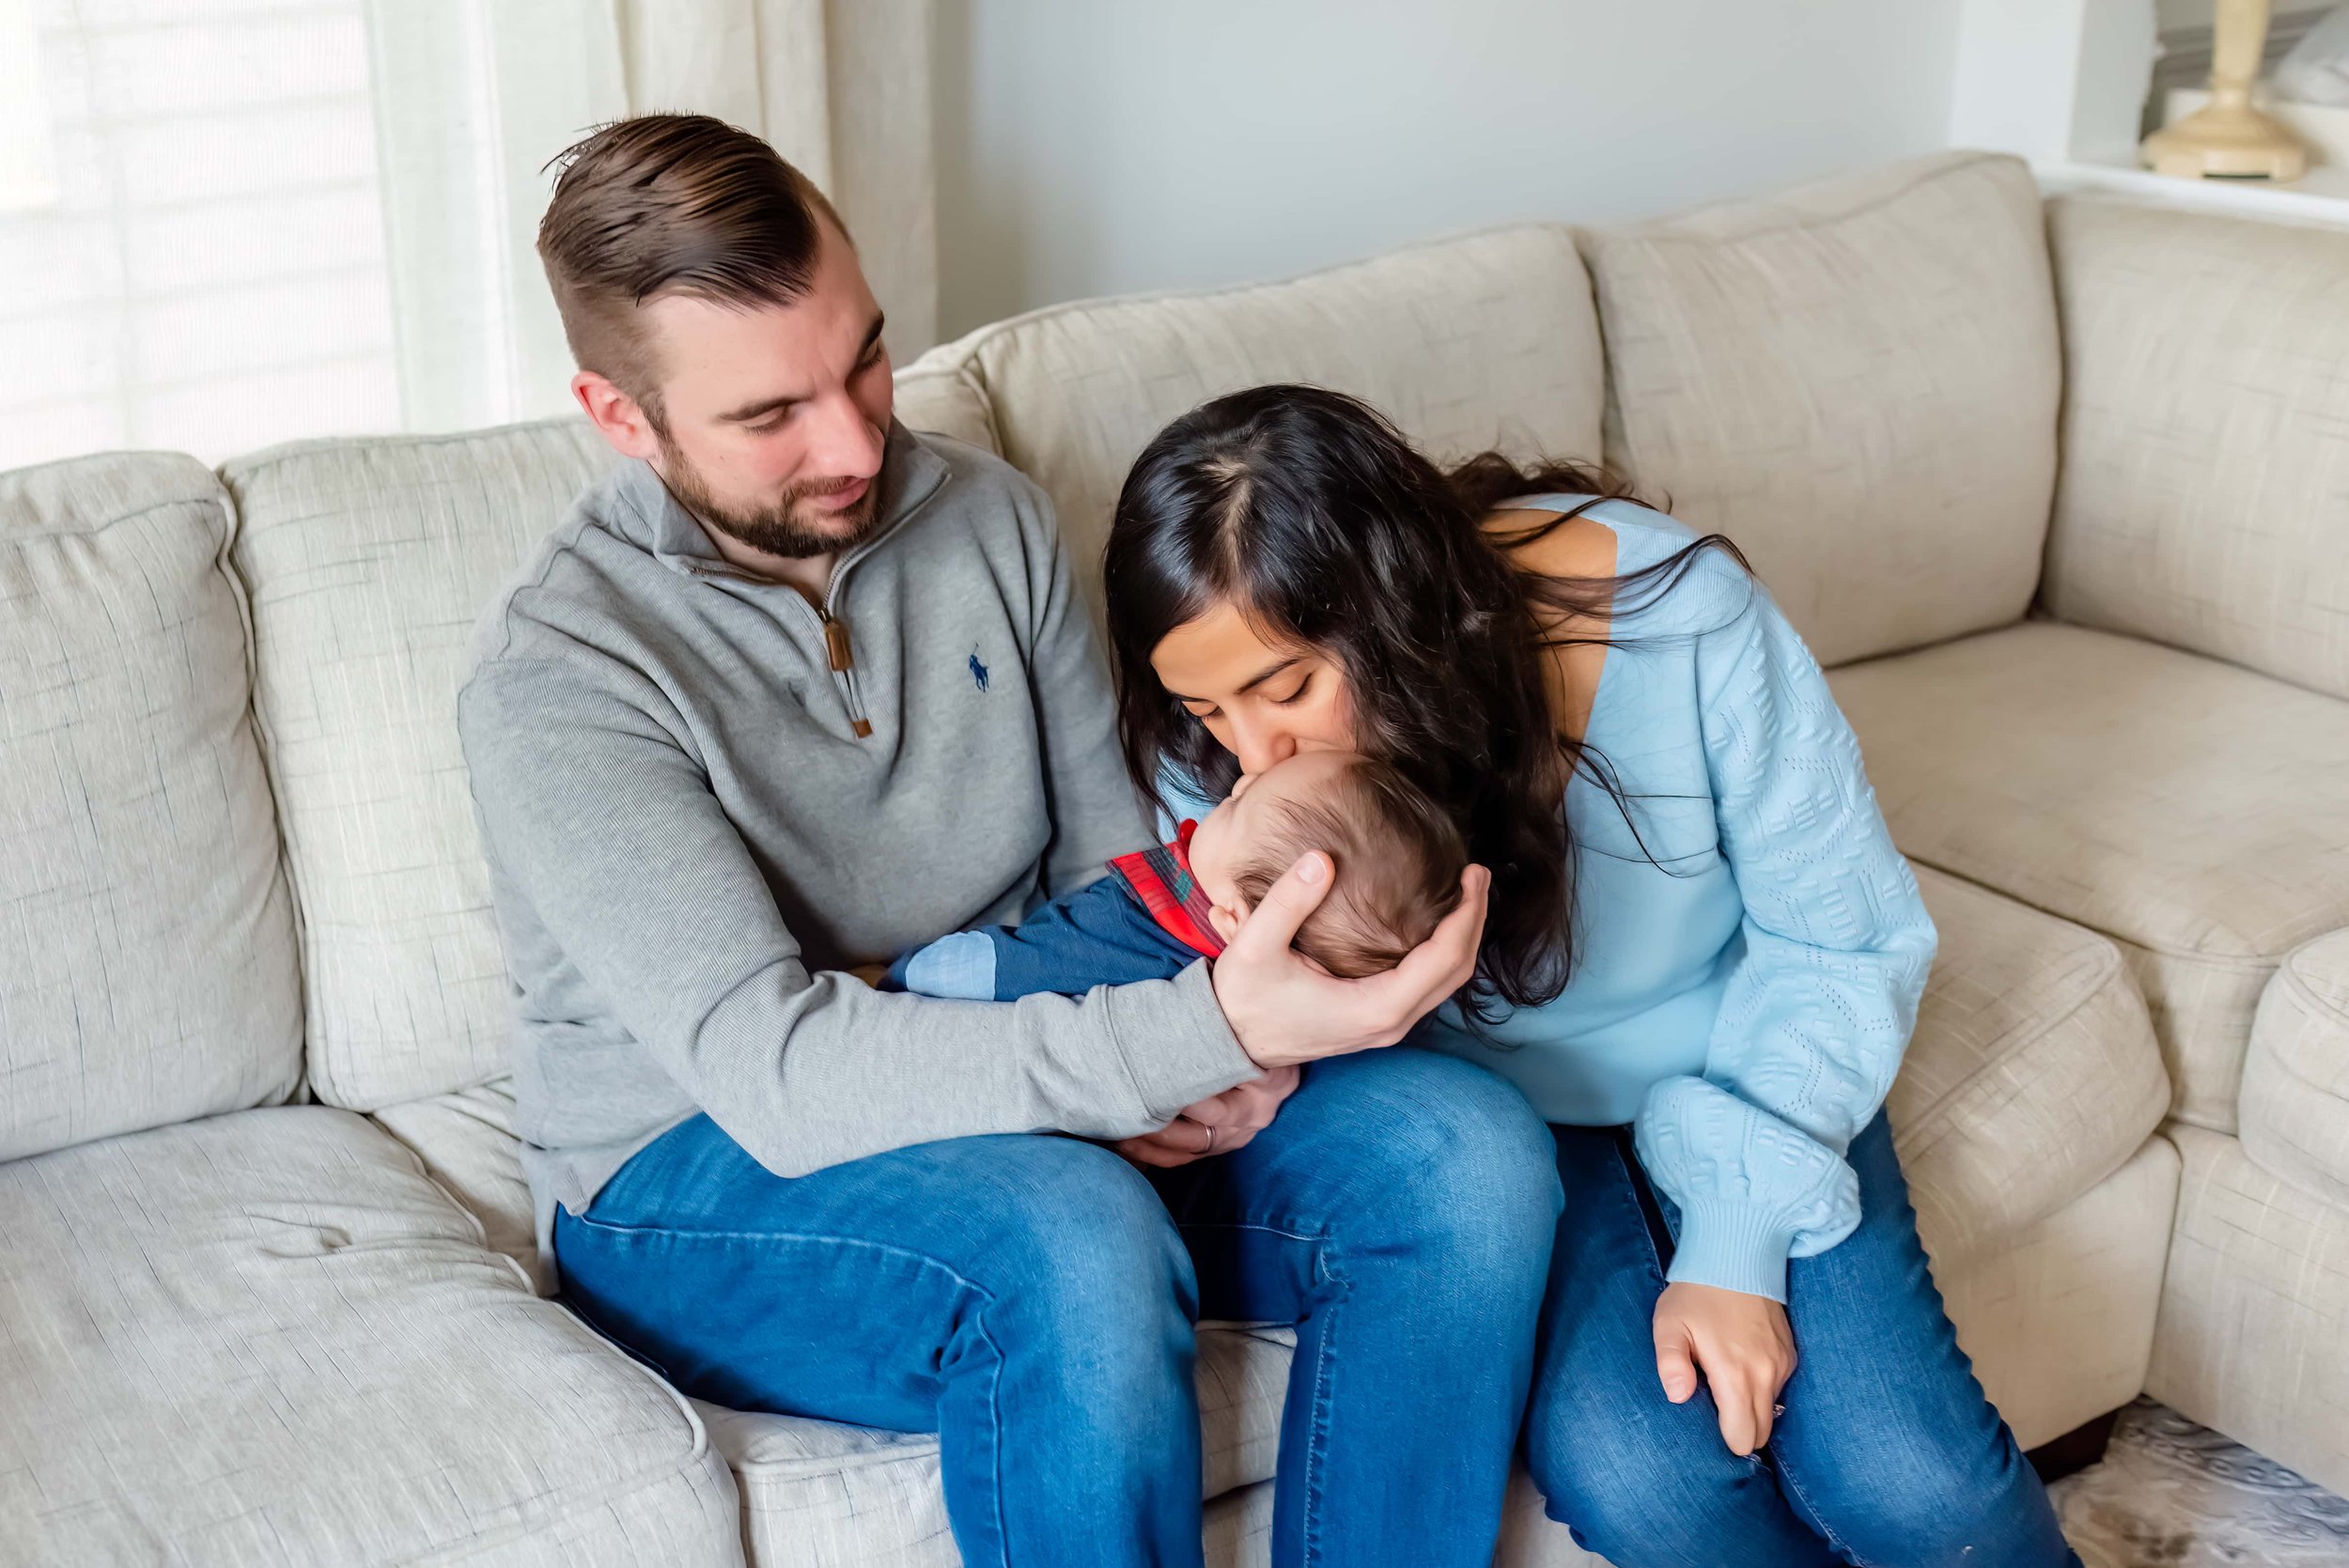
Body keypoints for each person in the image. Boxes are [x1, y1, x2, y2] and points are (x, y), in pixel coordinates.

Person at [457, 115, 1549, 1568]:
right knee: (1069, 1241)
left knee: (1466, 1154)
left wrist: (1184, 1055)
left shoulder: (992, 519)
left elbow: (1113, 876)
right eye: (770, 413)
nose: (856, 442)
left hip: (1036, 1030)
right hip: (696, 1164)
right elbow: (778, 1072)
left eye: (863, 358)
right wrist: (1169, 1042)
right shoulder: (562, 681)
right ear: (620, 416)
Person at [1104, 382, 2084, 1567]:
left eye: (1289, 687)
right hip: (1502, 1131)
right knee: (1651, 1480)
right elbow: (1233, 985)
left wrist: (1733, 1246)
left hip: (1751, 1059)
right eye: (1206, 708)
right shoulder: (1226, 763)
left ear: (1392, 612)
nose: (1252, 760)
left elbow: (1839, 941)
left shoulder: (1680, 616)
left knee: (1919, 1482)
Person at [883, 748, 1468, 998]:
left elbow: (991, 969)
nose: (1238, 781)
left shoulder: (1125, 943)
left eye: (1240, 805)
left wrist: (901, 976)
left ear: (1238, 920)